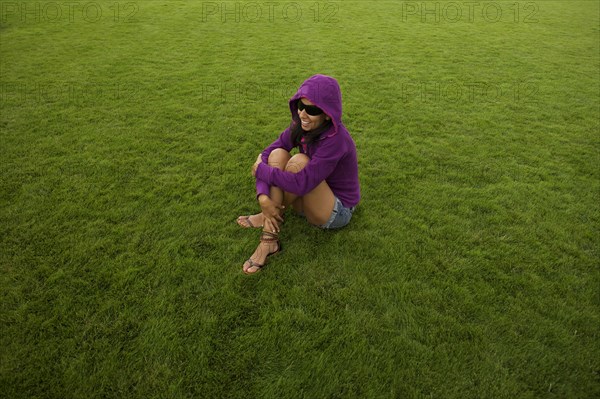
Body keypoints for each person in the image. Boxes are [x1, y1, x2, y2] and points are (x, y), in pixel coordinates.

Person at [236, 74, 361, 274]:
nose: (302, 113)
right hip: (309, 197)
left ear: (328, 114)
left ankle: (268, 241)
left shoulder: (337, 140)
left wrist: (261, 171)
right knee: (278, 155)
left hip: (337, 209)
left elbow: (301, 183)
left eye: (311, 110)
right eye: (300, 106)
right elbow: (268, 153)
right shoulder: (301, 126)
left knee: (299, 162)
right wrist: (263, 198)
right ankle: (268, 214)